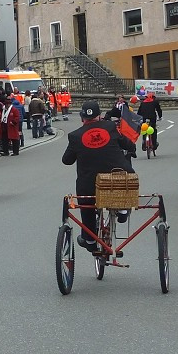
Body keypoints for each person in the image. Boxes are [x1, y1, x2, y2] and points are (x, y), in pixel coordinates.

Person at [61, 100, 136, 250]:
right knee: (121, 182)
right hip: (118, 179)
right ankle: (122, 209)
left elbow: (66, 161)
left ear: (82, 118)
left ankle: (89, 239)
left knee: (86, 203)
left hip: (90, 186)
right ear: (100, 116)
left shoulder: (75, 136)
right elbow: (128, 145)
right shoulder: (110, 127)